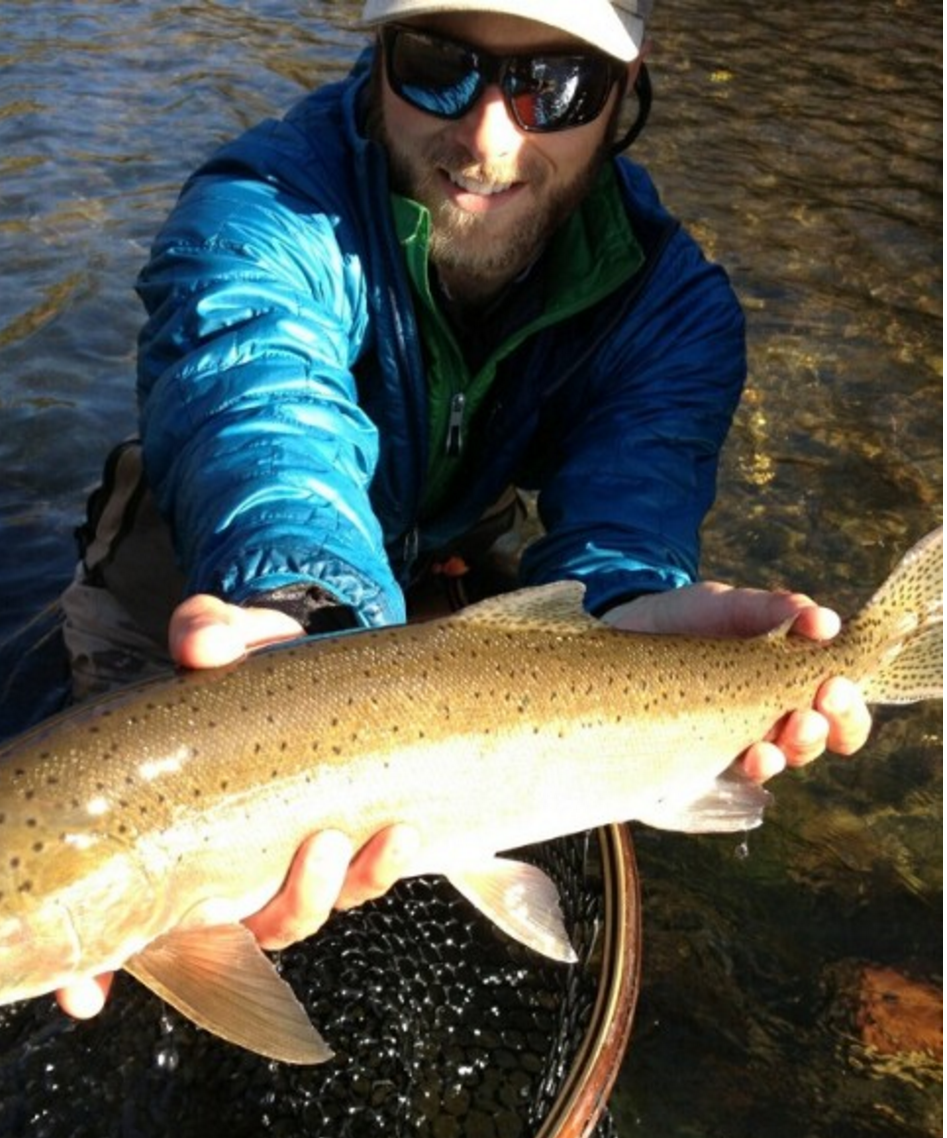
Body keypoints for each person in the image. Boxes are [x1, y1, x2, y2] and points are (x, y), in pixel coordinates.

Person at [55, 0, 872, 1019]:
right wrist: (309, 612)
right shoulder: (259, 211)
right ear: (378, 56)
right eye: (439, 66)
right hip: (220, 598)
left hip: (445, 592)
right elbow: (260, 414)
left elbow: (625, 520)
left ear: (625, 90)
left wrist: (626, 609)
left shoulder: (672, 311)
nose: (487, 138)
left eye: (555, 85)